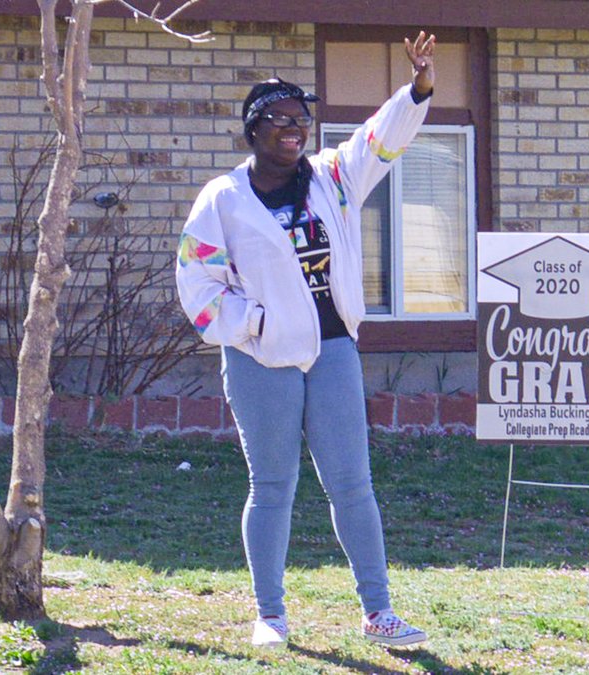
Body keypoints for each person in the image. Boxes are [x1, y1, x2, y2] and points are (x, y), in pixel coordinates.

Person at [175, 31, 437, 649]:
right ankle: (270, 615)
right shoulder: (224, 200)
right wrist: (254, 325)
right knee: (272, 486)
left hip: (334, 350)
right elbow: (196, 282)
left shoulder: (332, 179)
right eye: (282, 121)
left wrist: (417, 89)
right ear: (254, 129)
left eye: (302, 121)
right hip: (260, 359)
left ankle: (378, 612)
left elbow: (379, 140)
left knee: (353, 485)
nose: (295, 131)